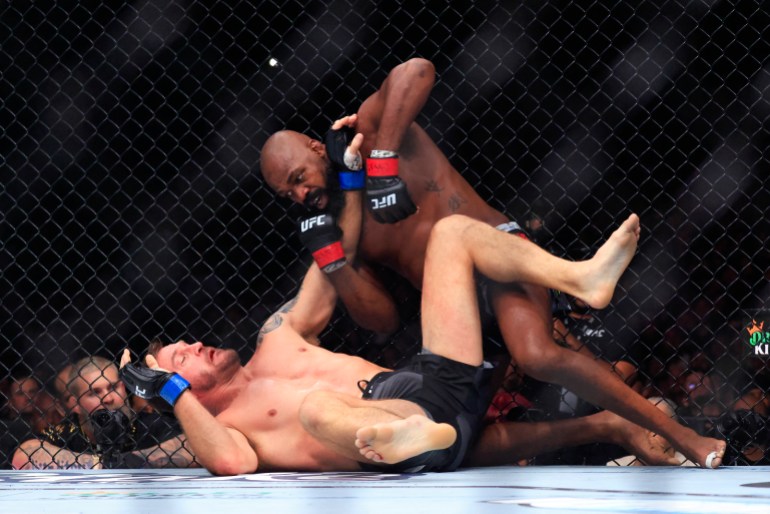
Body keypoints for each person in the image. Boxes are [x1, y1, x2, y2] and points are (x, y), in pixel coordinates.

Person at [259, 57, 721, 467]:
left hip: (499, 258)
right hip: (461, 317)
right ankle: (619, 425)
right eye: (289, 195)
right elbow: (380, 318)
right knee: (462, 433)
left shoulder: (376, 128)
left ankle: (681, 435)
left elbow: (416, 70)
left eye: (299, 177)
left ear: (317, 148)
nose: (301, 195)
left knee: (538, 354)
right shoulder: (342, 224)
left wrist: (381, 161)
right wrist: (335, 261)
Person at [118, 213, 724, 475]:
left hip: (430, 383)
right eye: (181, 358)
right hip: (392, 433)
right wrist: (169, 392)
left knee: (454, 234)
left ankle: (580, 278)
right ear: (184, 388)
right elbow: (231, 464)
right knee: (317, 411)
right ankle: (406, 440)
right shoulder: (232, 428)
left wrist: (348, 174)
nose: (194, 345)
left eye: (186, 345)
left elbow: (333, 262)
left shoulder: (275, 338)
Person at [12, 355, 197, 469]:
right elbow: (24, 455)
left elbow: (194, 447)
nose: (108, 398)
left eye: (113, 387)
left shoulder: (150, 423)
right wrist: (106, 464)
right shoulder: (66, 433)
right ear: (75, 404)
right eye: (94, 392)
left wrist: (125, 463)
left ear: (125, 388)